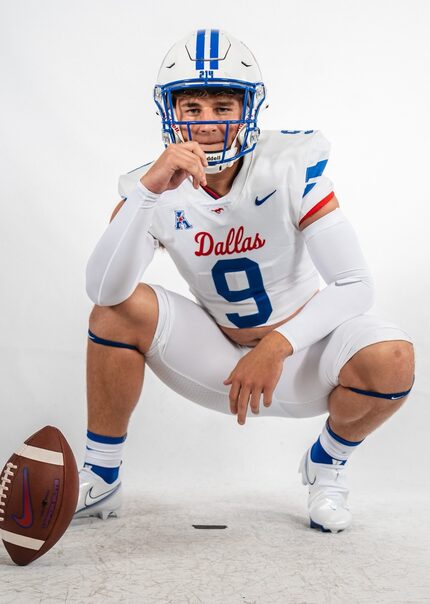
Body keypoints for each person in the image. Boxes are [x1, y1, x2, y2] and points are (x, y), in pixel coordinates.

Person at [74, 29, 415, 532]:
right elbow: (104, 292)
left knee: (393, 358)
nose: (207, 122)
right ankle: (101, 478)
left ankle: (328, 463)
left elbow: (354, 285)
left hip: (302, 356)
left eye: (221, 105)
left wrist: (278, 345)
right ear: (171, 111)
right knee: (117, 311)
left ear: (248, 107)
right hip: (215, 357)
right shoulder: (151, 185)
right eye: (192, 107)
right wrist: (148, 192)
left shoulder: (289, 166)